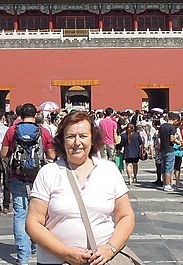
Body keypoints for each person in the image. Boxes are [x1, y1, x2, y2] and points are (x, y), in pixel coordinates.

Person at [26, 111, 135, 265]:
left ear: (92, 139)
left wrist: (110, 249)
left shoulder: (108, 170)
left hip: (102, 260)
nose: (77, 142)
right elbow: (33, 223)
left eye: (83, 136)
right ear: (62, 141)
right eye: (71, 136)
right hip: (56, 261)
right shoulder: (49, 173)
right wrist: (65, 253)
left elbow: (126, 216)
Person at [1, 103, 56, 265]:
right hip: (39, 179)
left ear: (20, 115)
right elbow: (51, 154)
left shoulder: (12, 130)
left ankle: (23, 257)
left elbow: (4, 153)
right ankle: (35, 243)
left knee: (20, 214)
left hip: (18, 176)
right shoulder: (43, 131)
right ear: (36, 114)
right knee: (40, 214)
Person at [158, 113, 179, 192]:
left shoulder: (162, 126)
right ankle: (167, 185)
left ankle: (164, 184)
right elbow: (171, 139)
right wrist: (178, 142)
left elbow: (158, 137)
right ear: (175, 120)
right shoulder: (172, 127)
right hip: (169, 149)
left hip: (163, 148)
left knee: (163, 168)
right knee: (169, 168)